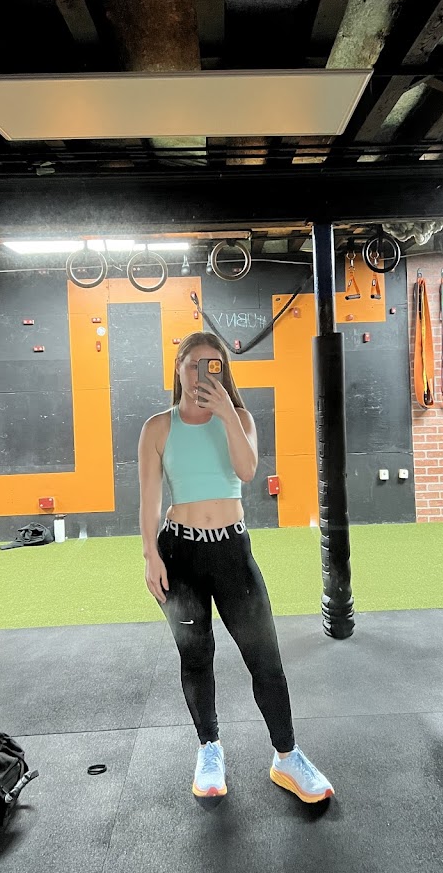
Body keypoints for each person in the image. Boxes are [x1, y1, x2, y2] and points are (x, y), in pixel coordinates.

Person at [138, 331, 334, 803]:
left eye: (213, 366)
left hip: (232, 552)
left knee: (264, 657)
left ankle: (287, 756)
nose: (201, 374)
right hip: (179, 554)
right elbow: (149, 499)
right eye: (193, 365)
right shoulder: (157, 428)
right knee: (195, 656)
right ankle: (210, 749)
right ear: (178, 369)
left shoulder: (240, 418)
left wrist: (226, 413)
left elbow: (246, 472)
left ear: (223, 372)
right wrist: (150, 556)